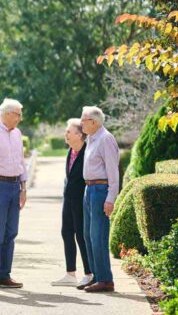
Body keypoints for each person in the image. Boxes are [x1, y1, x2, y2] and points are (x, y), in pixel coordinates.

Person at [0, 98, 27, 289]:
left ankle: (5, 274)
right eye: (17, 114)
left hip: (15, 185)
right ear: (7, 114)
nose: (20, 118)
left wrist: (23, 188)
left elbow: (21, 161)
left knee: (11, 232)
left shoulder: (17, 133)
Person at [79, 106, 121, 293]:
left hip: (100, 190)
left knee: (98, 236)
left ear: (94, 122)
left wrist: (110, 198)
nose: (81, 123)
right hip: (89, 189)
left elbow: (113, 171)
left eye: (83, 120)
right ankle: (97, 276)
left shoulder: (105, 139)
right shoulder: (91, 138)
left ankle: (105, 279)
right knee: (88, 235)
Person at [51, 118, 93, 287]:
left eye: (69, 131)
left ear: (79, 134)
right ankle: (70, 274)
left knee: (81, 236)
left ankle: (89, 273)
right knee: (66, 233)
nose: (66, 134)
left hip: (81, 200)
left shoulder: (87, 152)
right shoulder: (71, 151)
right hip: (68, 199)